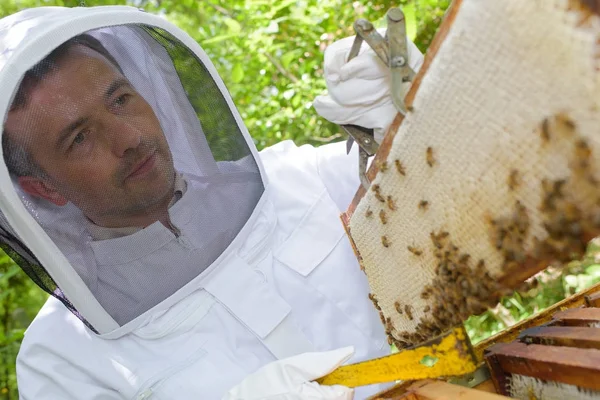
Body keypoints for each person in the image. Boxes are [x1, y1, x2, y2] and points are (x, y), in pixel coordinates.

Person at [0, 6, 423, 400]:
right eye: (80, 138)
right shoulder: (62, 361)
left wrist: (415, 119)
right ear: (43, 188)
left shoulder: (301, 177)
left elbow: (452, 203)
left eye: (120, 99)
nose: (129, 138)